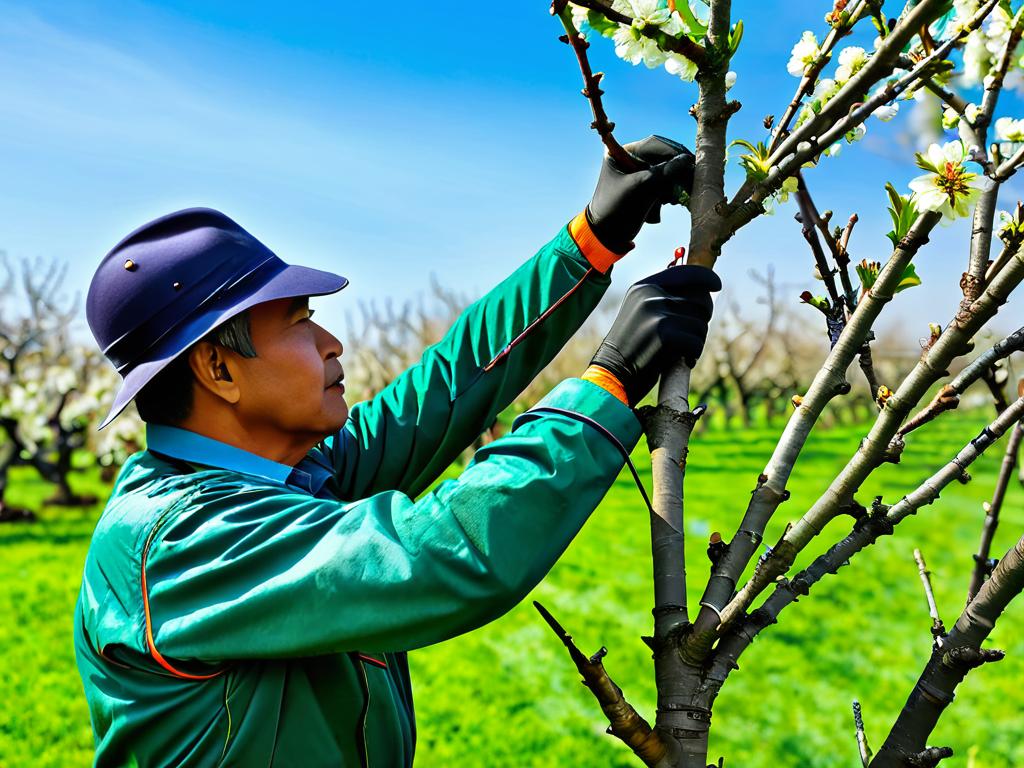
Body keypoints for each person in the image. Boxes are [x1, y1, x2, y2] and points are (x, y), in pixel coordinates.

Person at [74, 136, 721, 767]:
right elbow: (437, 554)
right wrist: (605, 384)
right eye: (300, 321)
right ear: (219, 369)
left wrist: (590, 242)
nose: (333, 343)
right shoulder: (181, 540)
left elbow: (448, 384)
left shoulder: (292, 476)